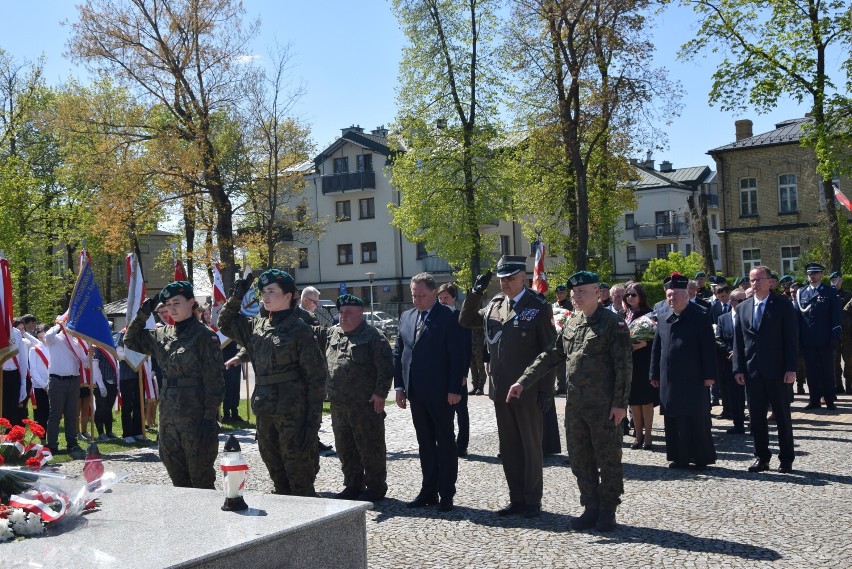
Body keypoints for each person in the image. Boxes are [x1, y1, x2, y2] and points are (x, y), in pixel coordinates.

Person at [513, 271, 631, 532]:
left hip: (604, 407)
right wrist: (524, 380)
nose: (576, 296)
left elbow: (624, 367)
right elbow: (551, 355)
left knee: (608, 458)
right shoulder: (572, 322)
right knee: (579, 459)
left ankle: (607, 509)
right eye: (574, 292)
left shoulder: (613, 324)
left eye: (581, 292)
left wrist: (620, 404)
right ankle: (590, 506)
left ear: (597, 294)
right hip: (575, 406)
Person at [459, 256, 558, 518]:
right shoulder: (495, 304)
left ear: (523, 278)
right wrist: (475, 292)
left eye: (510, 278)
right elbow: (466, 320)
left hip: (528, 389)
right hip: (501, 389)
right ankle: (516, 499)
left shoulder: (537, 306)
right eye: (502, 279)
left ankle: (532, 501)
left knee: (530, 447)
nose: (505, 283)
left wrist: (547, 390)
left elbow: (550, 351)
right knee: (510, 448)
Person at [219, 270, 326, 496]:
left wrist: (312, 422)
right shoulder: (256, 326)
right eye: (263, 292)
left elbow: (316, 378)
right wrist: (237, 297)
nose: (265, 297)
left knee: (299, 474)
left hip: (293, 412)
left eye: (271, 291)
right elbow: (225, 322)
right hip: (265, 409)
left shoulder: (300, 330)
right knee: (275, 470)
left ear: (288, 296)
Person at [125, 280, 225, 489]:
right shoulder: (163, 334)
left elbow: (214, 380)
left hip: (196, 415)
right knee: (176, 475)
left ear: (191, 303)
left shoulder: (205, 336)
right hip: (169, 416)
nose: (172, 308)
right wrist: (143, 314)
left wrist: (209, 419)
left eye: (176, 303)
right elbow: (131, 340)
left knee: (201, 478)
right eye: (168, 304)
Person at [394, 272, 464, 512]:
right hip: (415, 392)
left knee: (445, 442)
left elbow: (458, 355)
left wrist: (455, 388)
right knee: (424, 443)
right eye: (414, 295)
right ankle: (428, 490)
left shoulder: (450, 317)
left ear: (434, 293)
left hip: (442, 392)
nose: (417, 299)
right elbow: (400, 354)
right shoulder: (406, 316)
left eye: (421, 295)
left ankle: (446, 492)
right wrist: (400, 387)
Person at [326, 294, 393, 501]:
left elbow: (385, 367)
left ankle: (375, 487)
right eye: (341, 312)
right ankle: (352, 484)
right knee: (345, 447)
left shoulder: (373, 335)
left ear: (360, 314)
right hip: (339, 404)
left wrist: (380, 393)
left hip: (365, 404)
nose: (343, 316)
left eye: (348, 313)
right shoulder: (333, 334)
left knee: (370, 446)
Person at [733, 266, 798, 473]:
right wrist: (738, 369)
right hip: (752, 372)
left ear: (770, 281)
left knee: (781, 416)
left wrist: (790, 368)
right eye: (752, 279)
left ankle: (786, 458)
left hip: (778, 371)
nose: (755, 283)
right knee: (756, 418)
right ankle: (761, 457)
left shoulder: (783, 305)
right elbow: (739, 342)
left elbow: (791, 340)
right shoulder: (743, 308)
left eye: (759, 279)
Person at [650, 273, 717, 469]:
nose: (673, 298)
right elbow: (657, 348)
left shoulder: (700, 316)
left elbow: (708, 348)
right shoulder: (663, 318)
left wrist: (709, 375)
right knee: (673, 418)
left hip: (693, 377)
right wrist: (653, 374)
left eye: (677, 294)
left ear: (687, 294)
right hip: (669, 377)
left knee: (695, 417)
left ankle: (700, 457)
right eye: (669, 295)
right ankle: (678, 456)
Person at [795, 262, 841, 410]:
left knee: (827, 370)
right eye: (810, 274)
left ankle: (829, 399)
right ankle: (814, 400)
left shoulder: (830, 291)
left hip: (825, 338)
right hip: (807, 340)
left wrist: (835, 335)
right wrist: (798, 338)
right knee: (811, 371)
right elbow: (798, 317)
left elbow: (836, 316)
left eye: (815, 273)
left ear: (821, 275)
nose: (812, 276)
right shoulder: (801, 292)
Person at [437, 283, 472, 458]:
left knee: (461, 411)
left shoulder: (460, 318)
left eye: (446, 298)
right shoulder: (436, 317)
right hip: (441, 375)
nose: (443, 301)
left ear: (453, 299)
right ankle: (446, 442)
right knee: (444, 412)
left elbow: (466, 348)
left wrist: (464, 373)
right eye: (440, 298)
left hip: (458, 374)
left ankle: (462, 445)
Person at [44, 323, 87, 460]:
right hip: (57, 380)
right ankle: (52, 445)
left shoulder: (76, 342)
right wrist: (59, 324)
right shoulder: (55, 339)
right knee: (55, 414)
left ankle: (72, 443)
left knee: (72, 414)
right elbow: (48, 335)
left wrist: (90, 355)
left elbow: (85, 362)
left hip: (73, 380)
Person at [623, 283, 657, 449]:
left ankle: (649, 435)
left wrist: (645, 344)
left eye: (633, 294)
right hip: (629, 361)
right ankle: (638, 435)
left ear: (641, 296)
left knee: (646, 400)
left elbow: (658, 339)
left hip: (644, 360)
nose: (630, 297)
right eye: (628, 294)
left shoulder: (650, 315)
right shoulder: (624, 314)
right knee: (633, 400)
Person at [714, 289, 747, 434]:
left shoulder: (749, 315)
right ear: (732, 302)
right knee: (733, 393)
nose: (743, 304)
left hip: (748, 359)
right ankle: (738, 424)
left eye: (745, 300)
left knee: (751, 394)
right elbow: (719, 338)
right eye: (740, 301)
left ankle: (755, 423)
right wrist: (730, 351)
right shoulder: (723, 318)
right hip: (729, 361)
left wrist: (741, 352)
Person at [115, 331, 145, 444]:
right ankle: (127, 433)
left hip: (140, 375)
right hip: (126, 376)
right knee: (127, 406)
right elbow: (119, 354)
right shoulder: (122, 335)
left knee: (138, 405)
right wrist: (135, 355)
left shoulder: (140, 334)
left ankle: (138, 431)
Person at [830, 271, 852, 394]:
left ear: (842, 280)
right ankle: (838, 385)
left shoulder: (848, 294)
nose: (835, 282)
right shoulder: (828, 295)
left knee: (849, 360)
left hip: (847, 333)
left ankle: (849, 385)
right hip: (834, 333)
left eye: (836, 280)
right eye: (832, 281)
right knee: (835, 361)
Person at [92, 345, 119, 440]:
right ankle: (101, 433)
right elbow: (95, 367)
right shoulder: (96, 348)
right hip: (102, 382)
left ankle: (109, 431)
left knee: (108, 408)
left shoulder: (111, 347)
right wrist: (101, 384)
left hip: (113, 382)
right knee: (101, 408)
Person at [27, 325, 50, 432]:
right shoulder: (34, 349)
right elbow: (33, 371)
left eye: (44, 336)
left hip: (54, 384)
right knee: (42, 414)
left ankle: (52, 441)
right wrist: (44, 385)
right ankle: (43, 440)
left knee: (53, 415)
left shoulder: (54, 347)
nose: (43, 339)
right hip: (40, 386)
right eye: (40, 337)